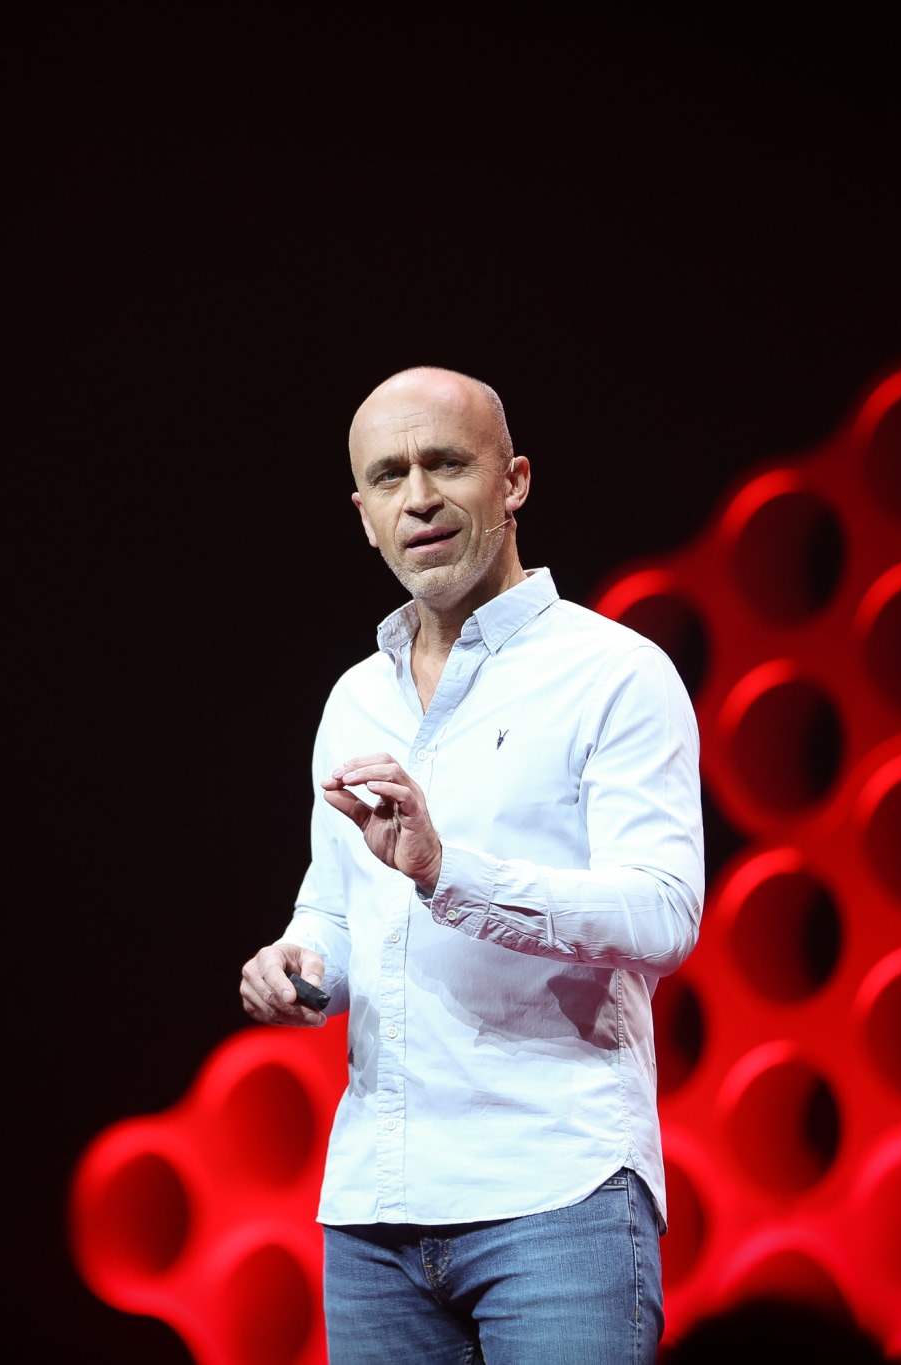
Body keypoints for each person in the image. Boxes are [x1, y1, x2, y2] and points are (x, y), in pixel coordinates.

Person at [239, 367, 705, 1364]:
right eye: (388, 476)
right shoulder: (353, 700)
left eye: (444, 463)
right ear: (362, 515)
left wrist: (450, 873)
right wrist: (297, 965)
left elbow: (663, 913)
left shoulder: (614, 676)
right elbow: (335, 910)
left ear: (514, 481)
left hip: (555, 1196)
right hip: (375, 1210)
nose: (418, 497)